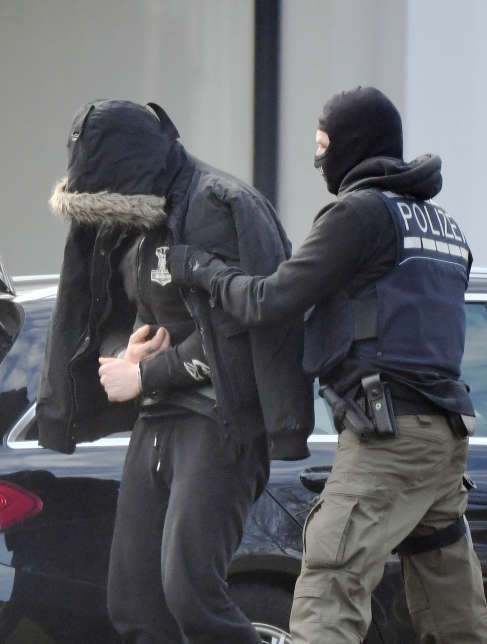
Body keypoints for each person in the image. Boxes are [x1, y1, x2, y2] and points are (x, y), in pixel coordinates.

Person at [169, 86, 487, 643]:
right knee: (452, 609)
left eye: (324, 145)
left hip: (388, 436)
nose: (319, 160)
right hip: (446, 439)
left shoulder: (359, 214)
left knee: (328, 590)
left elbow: (268, 302)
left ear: (354, 146)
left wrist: (201, 269)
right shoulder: (444, 228)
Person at [36, 99, 313, 644]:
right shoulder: (130, 217)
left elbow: (242, 334)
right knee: (135, 605)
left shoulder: (219, 206)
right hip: (156, 422)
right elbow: (117, 313)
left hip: (218, 424)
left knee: (192, 596)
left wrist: (146, 375)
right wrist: (126, 352)